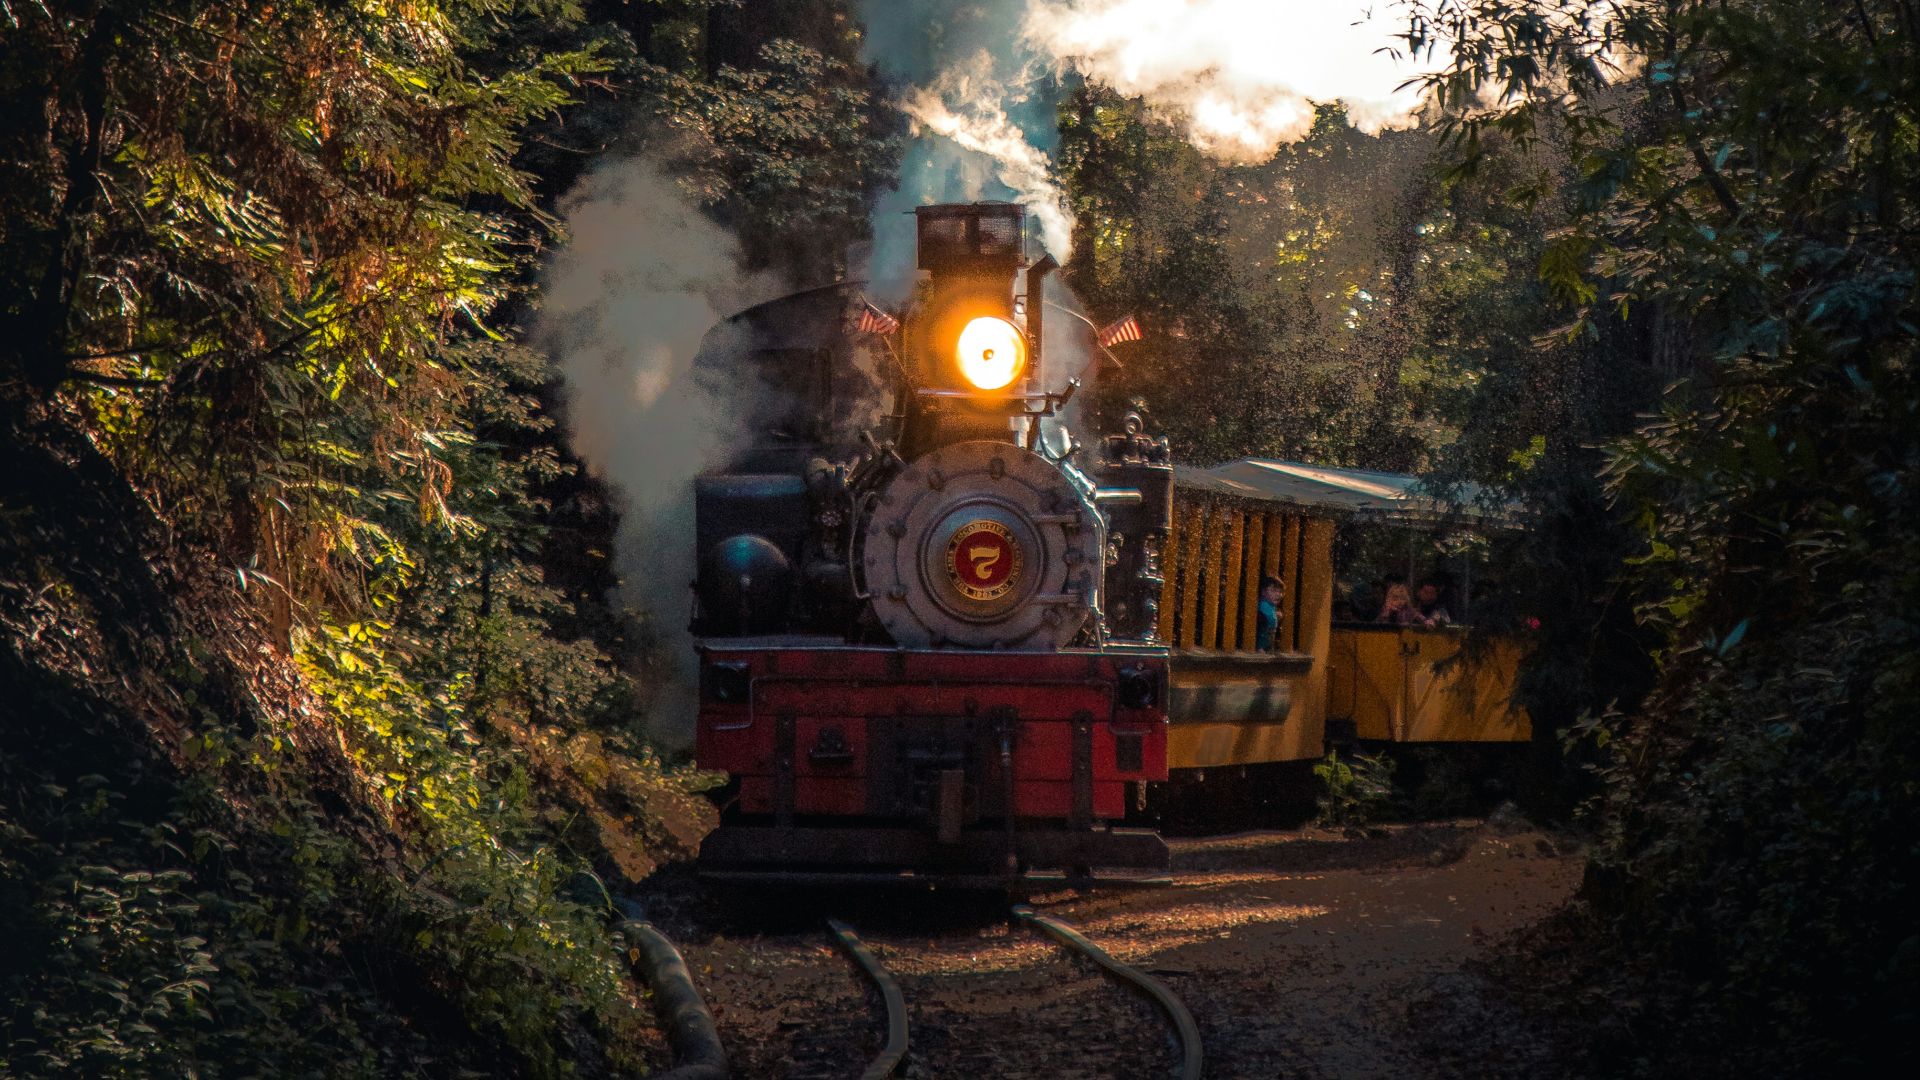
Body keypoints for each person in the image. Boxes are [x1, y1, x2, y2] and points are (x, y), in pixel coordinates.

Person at [1255, 574, 1285, 651]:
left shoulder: (1271, 606)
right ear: (1263, 592)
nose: (1278, 594)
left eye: (1280, 591)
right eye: (1273, 590)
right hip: (1258, 646)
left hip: (1266, 646)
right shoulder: (1262, 606)